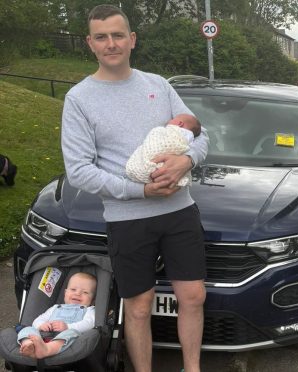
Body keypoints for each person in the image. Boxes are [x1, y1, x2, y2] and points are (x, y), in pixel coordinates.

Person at [60, 5, 208, 372]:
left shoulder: (158, 84)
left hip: (179, 211)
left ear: (132, 40)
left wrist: (186, 161)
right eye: (102, 37)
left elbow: (201, 135)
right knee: (138, 307)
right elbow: (79, 170)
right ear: (90, 44)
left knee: (193, 296)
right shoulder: (79, 99)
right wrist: (139, 192)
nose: (111, 43)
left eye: (118, 35)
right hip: (128, 218)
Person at [17, 272, 97, 359]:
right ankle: (29, 345)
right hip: (42, 336)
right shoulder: (55, 308)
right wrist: (41, 325)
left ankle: (47, 350)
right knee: (27, 329)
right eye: (73, 289)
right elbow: (39, 319)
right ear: (65, 293)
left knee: (72, 333)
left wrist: (68, 327)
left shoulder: (89, 310)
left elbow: (89, 323)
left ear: (93, 299)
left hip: (64, 339)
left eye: (85, 292)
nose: (77, 294)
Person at [126, 113, 202, 186]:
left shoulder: (165, 131)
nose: (168, 121)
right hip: (169, 172)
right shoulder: (191, 140)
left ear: (180, 123)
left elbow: (175, 144)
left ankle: (149, 166)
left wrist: (188, 158)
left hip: (161, 161)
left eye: (173, 119)